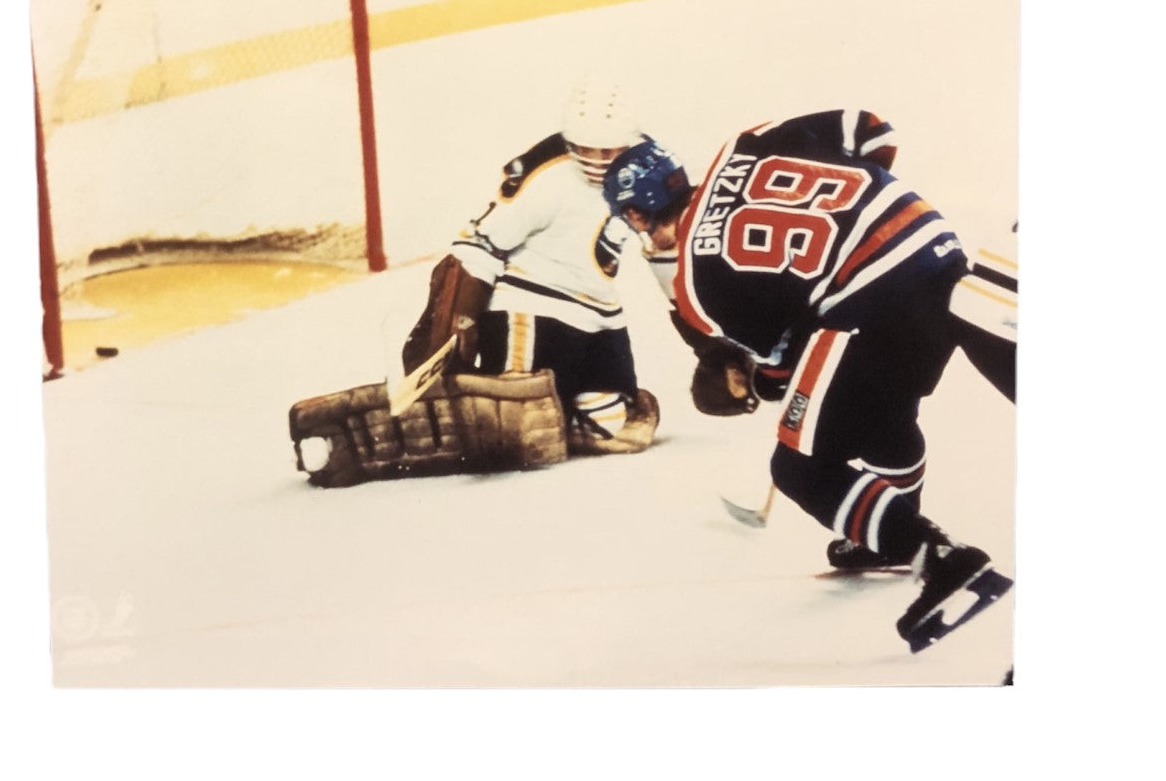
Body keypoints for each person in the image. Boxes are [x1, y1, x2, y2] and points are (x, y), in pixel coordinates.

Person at [600, 111, 1015, 651]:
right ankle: (890, 529)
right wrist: (853, 209)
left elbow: (781, 369)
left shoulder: (697, 285)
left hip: (872, 303)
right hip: (939, 255)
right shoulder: (746, 143)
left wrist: (750, 385)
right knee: (882, 413)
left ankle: (943, 560)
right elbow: (871, 129)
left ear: (635, 213)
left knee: (798, 465)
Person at [400, 76, 660, 455]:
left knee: (611, 429)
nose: (598, 162)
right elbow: (477, 245)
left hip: (601, 319)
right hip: (531, 310)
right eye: (585, 149)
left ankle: (554, 410)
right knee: (517, 424)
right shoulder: (544, 176)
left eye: (609, 151)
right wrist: (452, 324)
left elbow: (669, 242)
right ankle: (503, 403)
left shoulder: (650, 168)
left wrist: (706, 341)